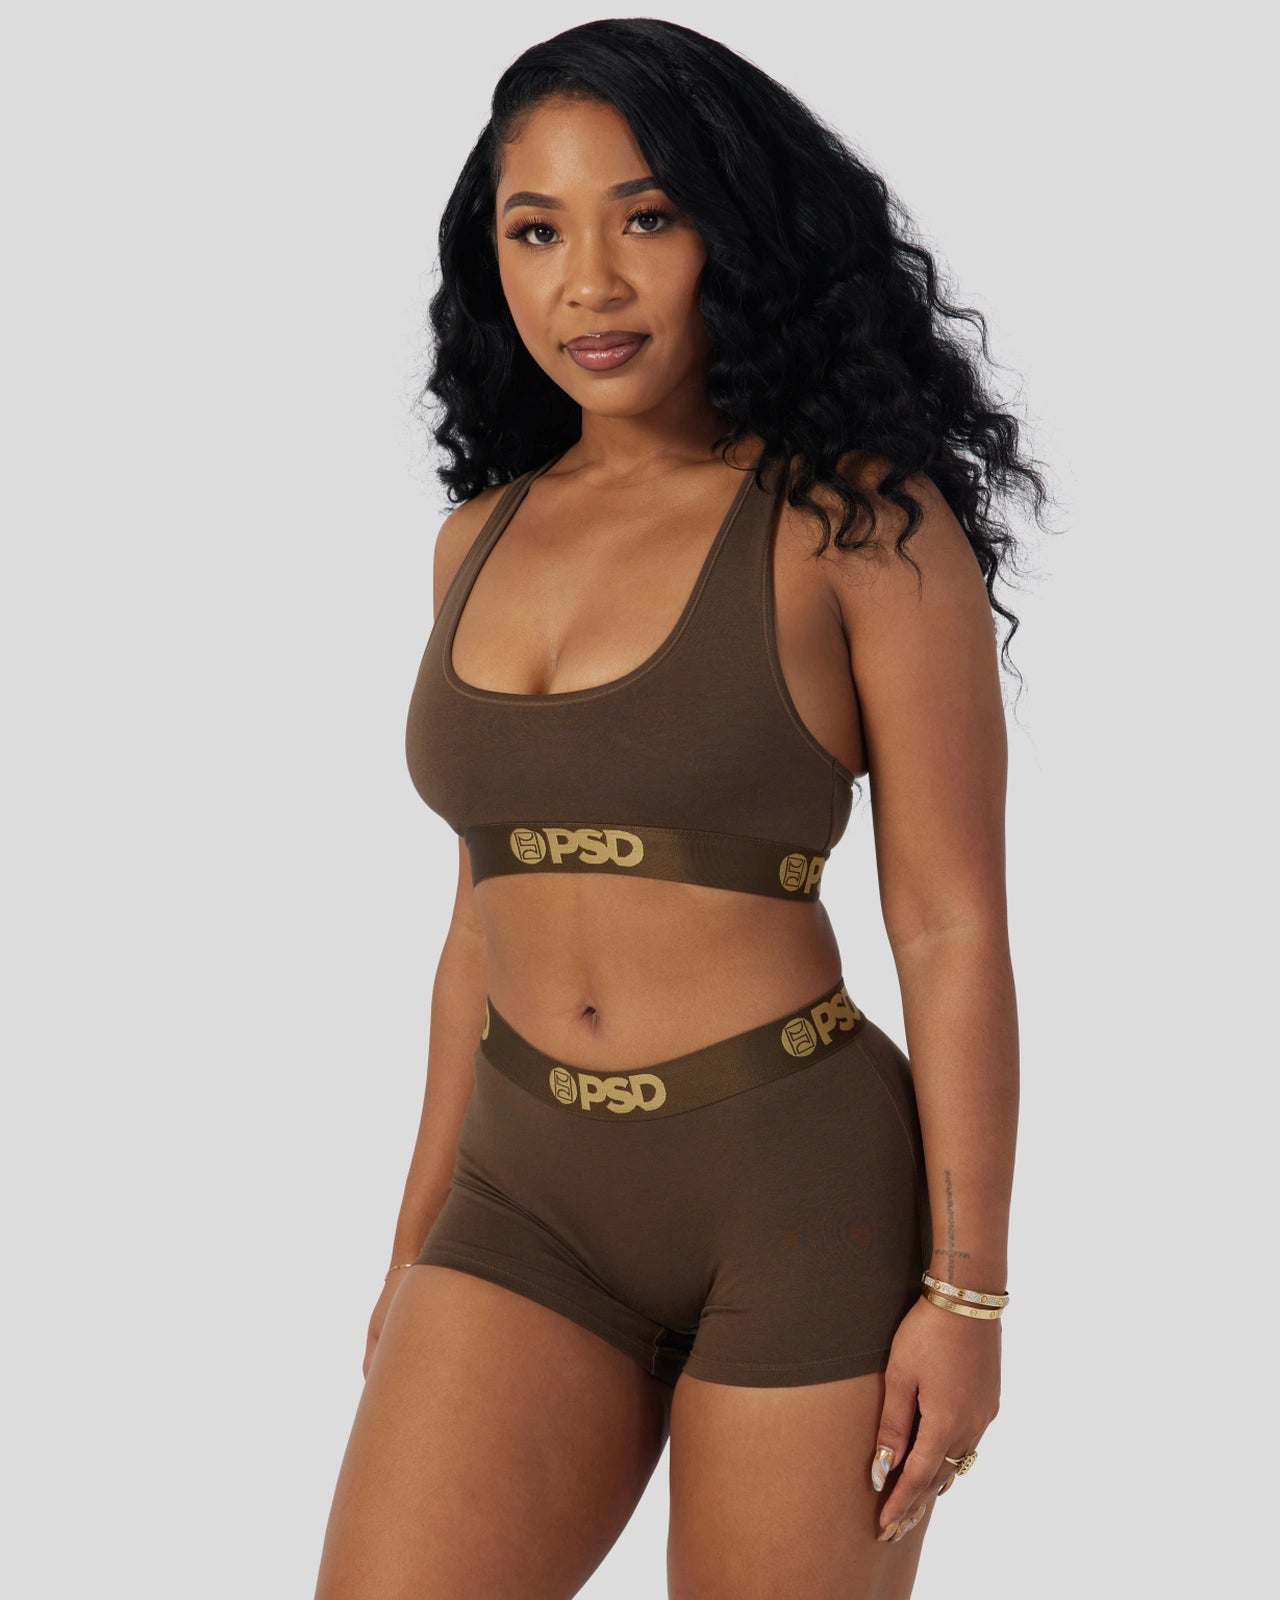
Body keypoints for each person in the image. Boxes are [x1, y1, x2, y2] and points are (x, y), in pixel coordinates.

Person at [314, 18, 1047, 1599]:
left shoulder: (861, 522)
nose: (589, 282)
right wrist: (413, 1243)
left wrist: (969, 1294)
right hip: (523, 1200)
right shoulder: (476, 541)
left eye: (645, 216)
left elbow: (947, 920)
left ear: (735, 230)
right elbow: (477, 929)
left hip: (796, 1195)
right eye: (537, 231)